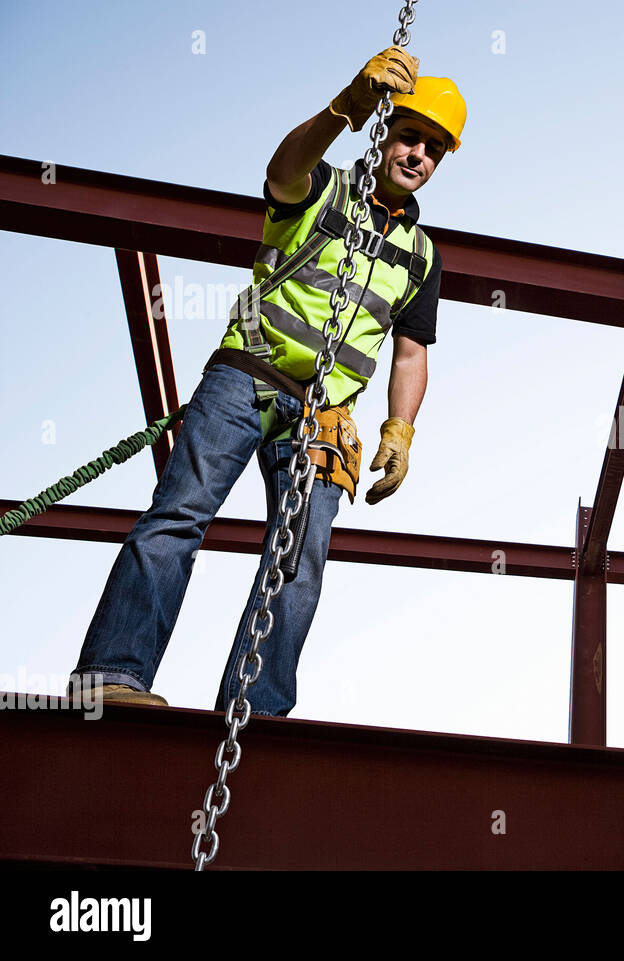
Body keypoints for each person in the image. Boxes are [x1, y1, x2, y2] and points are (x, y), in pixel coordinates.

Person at [66, 47, 467, 717]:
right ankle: (110, 674)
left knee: (300, 561)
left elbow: (410, 351)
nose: (418, 154)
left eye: (433, 148)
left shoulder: (424, 258)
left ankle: (258, 709)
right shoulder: (323, 187)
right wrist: (347, 104)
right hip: (245, 378)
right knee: (179, 515)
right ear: (387, 128)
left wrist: (400, 430)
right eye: (409, 135)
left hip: (324, 416)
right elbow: (283, 168)